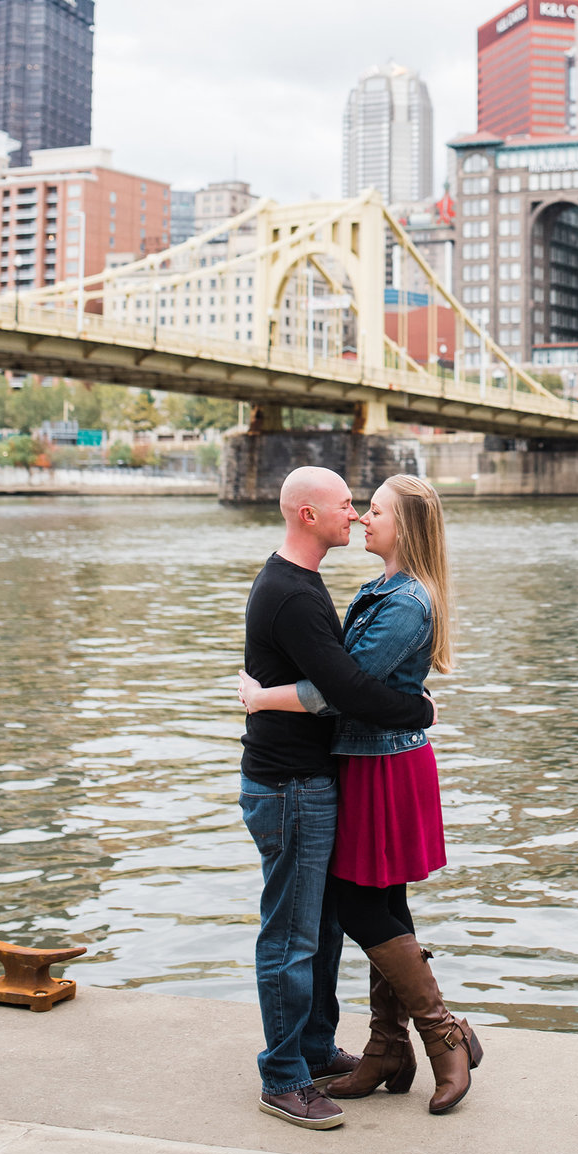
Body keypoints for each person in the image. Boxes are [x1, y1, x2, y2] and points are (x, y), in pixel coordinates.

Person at [241, 472, 480, 1115]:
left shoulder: (402, 602)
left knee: (363, 906)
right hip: (352, 766)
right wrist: (414, 709)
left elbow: (341, 690)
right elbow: (345, 683)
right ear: (311, 512)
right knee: (360, 907)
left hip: (378, 766)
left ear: (405, 528)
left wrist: (262, 697)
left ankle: (433, 1036)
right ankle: (388, 1047)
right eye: (355, 506)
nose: (361, 518)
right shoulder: (370, 590)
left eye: (372, 510)